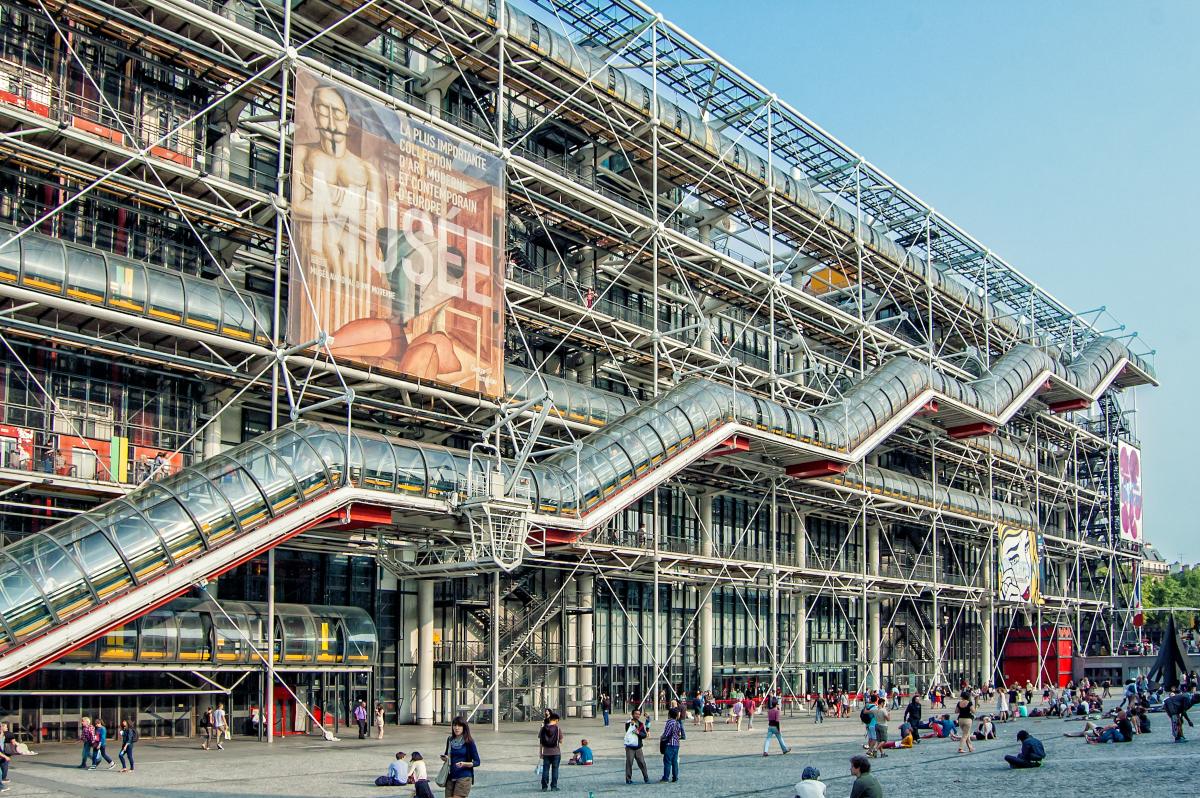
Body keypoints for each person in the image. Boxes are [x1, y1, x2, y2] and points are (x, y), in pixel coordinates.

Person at [441, 717, 480, 797]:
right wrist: (445, 758)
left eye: (459, 726)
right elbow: (447, 755)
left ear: (464, 727)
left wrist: (465, 764)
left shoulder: (469, 741)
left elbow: (477, 762)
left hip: (464, 776)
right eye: (455, 725)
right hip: (450, 776)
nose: (457, 728)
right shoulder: (450, 740)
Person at [538, 711, 563, 792]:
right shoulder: (558, 729)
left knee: (545, 770)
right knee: (555, 770)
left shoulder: (543, 728)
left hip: (546, 753)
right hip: (556, 752)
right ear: (555, 720)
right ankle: (554, 786)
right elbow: (561, 741)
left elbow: (541, 742)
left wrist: (540, 753)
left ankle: (544, 787)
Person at [623, 709, 649, 785]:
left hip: (638, 747)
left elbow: (644, 735)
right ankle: (628, 779)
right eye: (636, 714)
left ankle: (646, 778)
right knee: (629, 763)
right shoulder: (628, 723)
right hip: (630, 747)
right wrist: (631, 724)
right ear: (632, 714)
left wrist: (638, 732)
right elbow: (627, 730)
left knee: (642, 763)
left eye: (638, 714)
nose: (637, 715)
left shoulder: (641, 724)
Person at [659, 706, 685, 783]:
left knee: (667, 761)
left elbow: (666, 734)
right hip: (676, 744)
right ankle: (675, 777)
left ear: (669, 714)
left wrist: (662, 737)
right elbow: (679, 734)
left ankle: (665, 778)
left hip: (669, 744)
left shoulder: (669, 722)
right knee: (675, 761)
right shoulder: (678, 723)